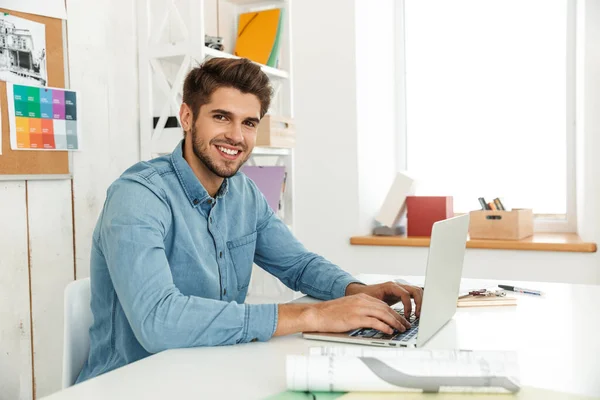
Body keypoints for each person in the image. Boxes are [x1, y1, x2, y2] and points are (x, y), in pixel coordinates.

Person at [77, 57, 423, 383]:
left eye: (249, 123)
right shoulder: (138, 196)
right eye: (221, 117)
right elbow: (158, 320)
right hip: (131, 383)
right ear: (187, 117)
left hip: (210, 370)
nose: (237, 137)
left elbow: (298, 265)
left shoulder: (244, 193)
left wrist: (357, 291)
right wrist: (312, 315)